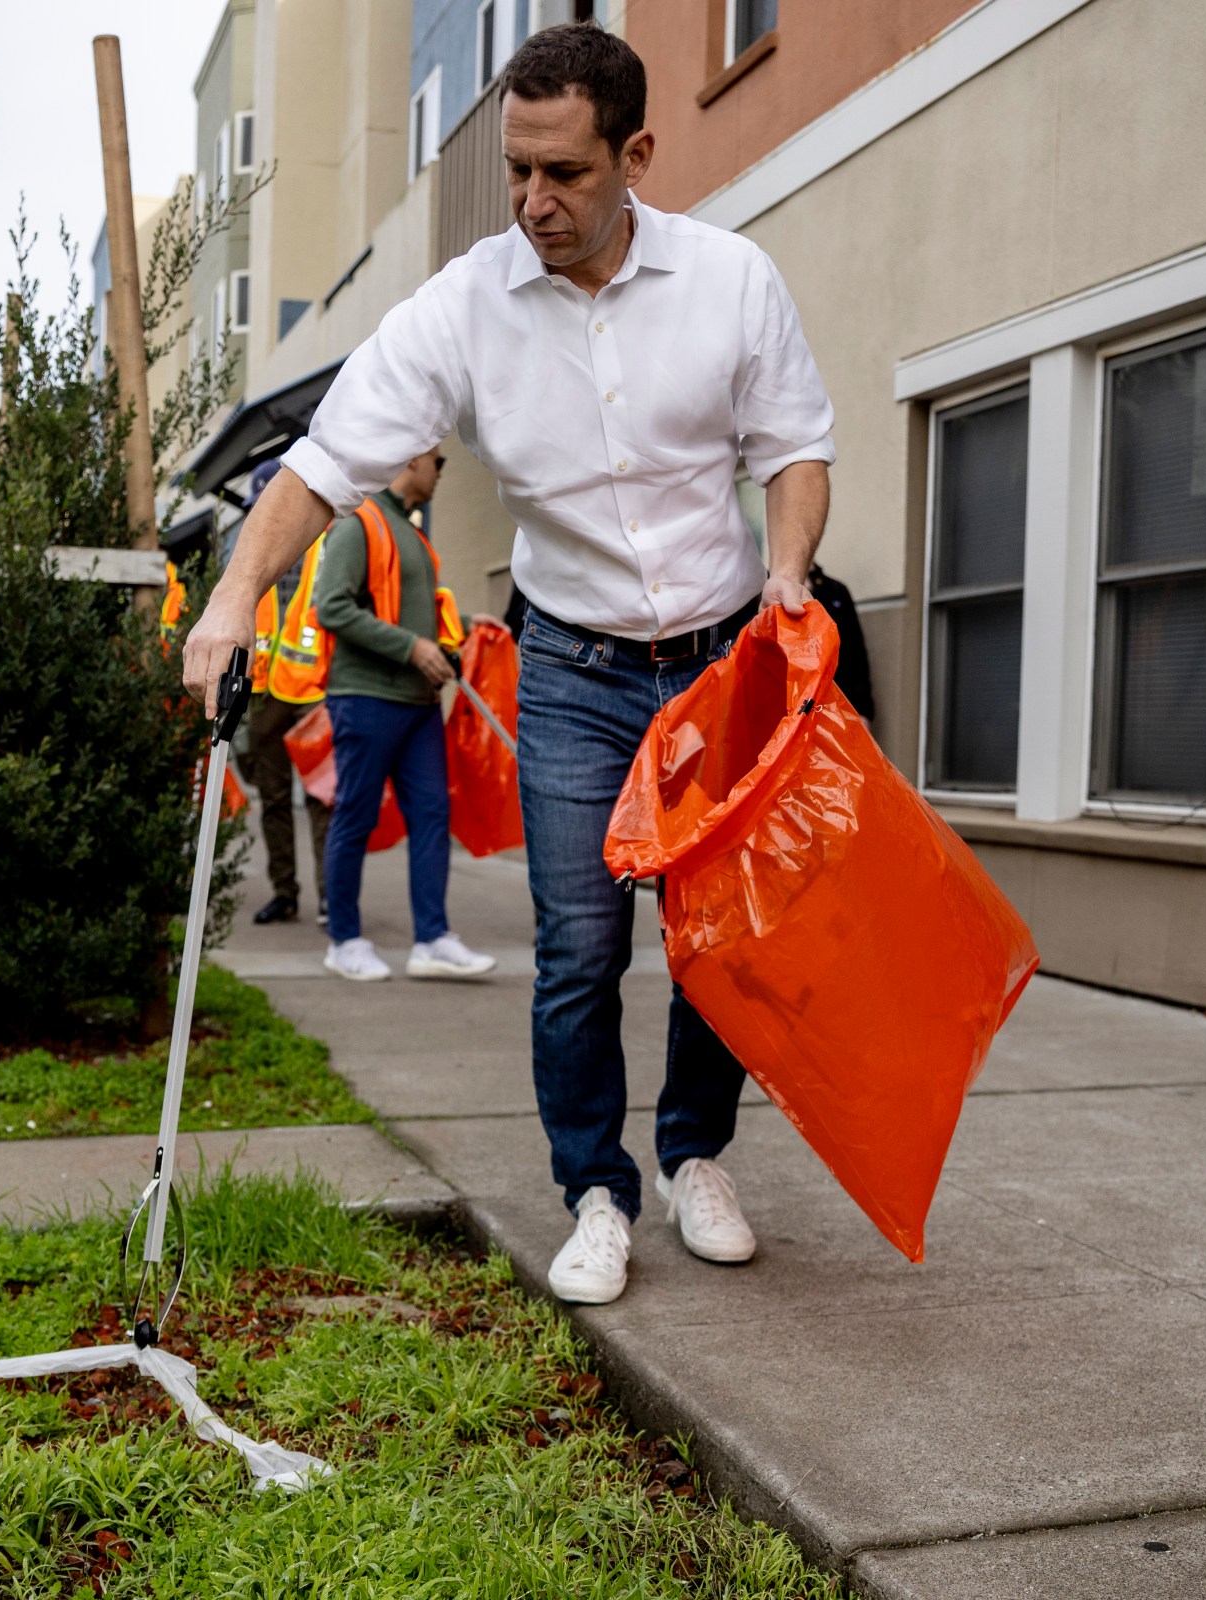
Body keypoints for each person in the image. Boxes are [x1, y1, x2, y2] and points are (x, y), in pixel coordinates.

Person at [181, 23, 834, 1306]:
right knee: (580, 947)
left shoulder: (733, 281)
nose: (534, 200)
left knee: (716, 945)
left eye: (566, 173)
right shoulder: (464, 308)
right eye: (516, 172)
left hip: (720, 664)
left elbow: (796, 445)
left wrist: (791, 571)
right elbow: (322, 464)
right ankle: (596, 1188)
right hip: (578, 672)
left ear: (636, 154)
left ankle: (697, 1150)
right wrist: (231, 600)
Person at [309, 446, 497, 984]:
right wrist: (414, 649)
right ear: (413, 460)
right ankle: (344, 941)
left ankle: (433, 939)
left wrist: (463, 622)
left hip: (416, 705)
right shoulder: (359, 523)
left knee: (433, 817)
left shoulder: (409, 532)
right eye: (439, 462)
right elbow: (333, 607)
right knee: (355, 817)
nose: (441, 472)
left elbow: (415, 614)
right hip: (366, 698)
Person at [238, 458, 331, 923]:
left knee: (321, 799)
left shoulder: (328, 544)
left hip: (314, 691)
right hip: (265, 691)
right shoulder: (252, 557)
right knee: (273, 797)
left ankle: (331, 898)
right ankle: (285, 893)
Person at [808, 563, 875, 723]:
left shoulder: (835, 590)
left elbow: (856, 655)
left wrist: (862, 710)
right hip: (786, 710)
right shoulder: (766, 590)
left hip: (834, 708)